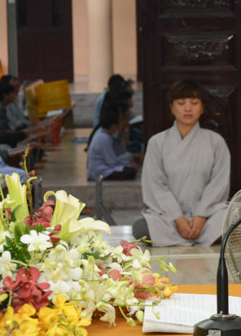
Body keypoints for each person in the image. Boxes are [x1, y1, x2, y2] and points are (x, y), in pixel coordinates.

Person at [133, 80, 230, 247]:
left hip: (208, 216)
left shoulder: (216, 142)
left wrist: (201, 216)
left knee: (233, 221)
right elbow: (156, 185)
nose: (188, 108)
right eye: (181, 103)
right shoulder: (157, 142)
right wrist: (178, 218)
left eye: (194, 103)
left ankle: (195, 233)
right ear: (172, 108)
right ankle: (193, 235)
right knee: (140, 228)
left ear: (202, 108)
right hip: (168, 218)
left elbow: (219, 183)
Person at [86, 99, 137, 181]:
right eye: (120, 121)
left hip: (106, 167)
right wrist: (128, 165)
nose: (123, 123)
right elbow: (112, 162)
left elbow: (121, 153)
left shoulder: (111, 136)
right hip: (100, 171)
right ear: (113, 126)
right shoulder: (104, 137)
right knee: (130, 171)